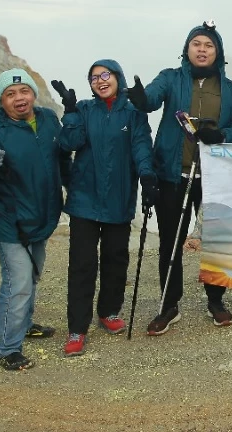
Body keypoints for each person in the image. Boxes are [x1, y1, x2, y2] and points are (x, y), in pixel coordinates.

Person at [127, 23, 232, 334]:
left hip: (213, 175)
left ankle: (216, 300)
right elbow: (151, 99)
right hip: (173, 173)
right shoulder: (171, 77)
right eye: (196, 44)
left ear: (217, 52)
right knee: (171, 239)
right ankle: (169, 306)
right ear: (187, 49)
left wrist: (220, 134)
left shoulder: (230, 89)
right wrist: (140, 97)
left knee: (216, 238)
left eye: (208, 45)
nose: (202, 49)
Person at [53, 60, 157, 356]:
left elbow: (141, 146)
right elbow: (70, 142)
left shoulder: (133, 112)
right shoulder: (84, 109)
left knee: (116, 259)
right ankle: (77, 328)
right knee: (82, 265)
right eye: (94, 77)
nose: (100, 81)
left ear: (117, 77)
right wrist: (70, 112)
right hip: (85, 199)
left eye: (105, 75)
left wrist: (148, 176)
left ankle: (108, 312)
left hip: (119, 198)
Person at [0, 69, 67, 371]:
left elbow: (63, 157)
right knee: (19, 282)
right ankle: (7, 347)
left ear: (33, 93)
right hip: (10, 223)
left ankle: (24, 324)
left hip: (41, 217)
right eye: (10, 95)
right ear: (2, 101)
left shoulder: (49, 120)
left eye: (23, 91)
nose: (19, 99)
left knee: (33, 275)